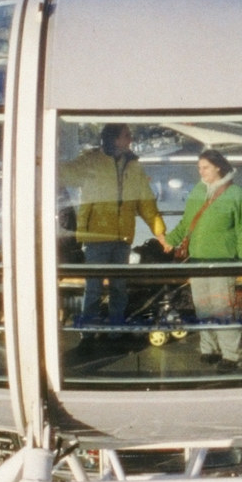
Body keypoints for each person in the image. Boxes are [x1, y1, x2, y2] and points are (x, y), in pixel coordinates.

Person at [58, 124, 168, 337]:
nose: (131, 138)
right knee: (94, 288)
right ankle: (88, 334)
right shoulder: (91, 161)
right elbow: (65, 174)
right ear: (115, 139)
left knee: (119, 286)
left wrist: (161, 235)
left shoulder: (134, 166)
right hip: (97, 237)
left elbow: (146, 203)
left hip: (122, 237)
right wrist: (39, 162)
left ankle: (116, 331)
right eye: (127, 135)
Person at [163, 147, 242, 370]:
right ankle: (209, 349)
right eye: (199, 168)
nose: (201, 172)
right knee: (203, 307)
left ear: (218, 167)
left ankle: (231, 355)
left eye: (205, 168)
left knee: (223, 308)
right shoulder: (197, 191)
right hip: (198, 260)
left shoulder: (237, 194)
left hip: (223, 261)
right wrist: (170, 240)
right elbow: (187, 222)